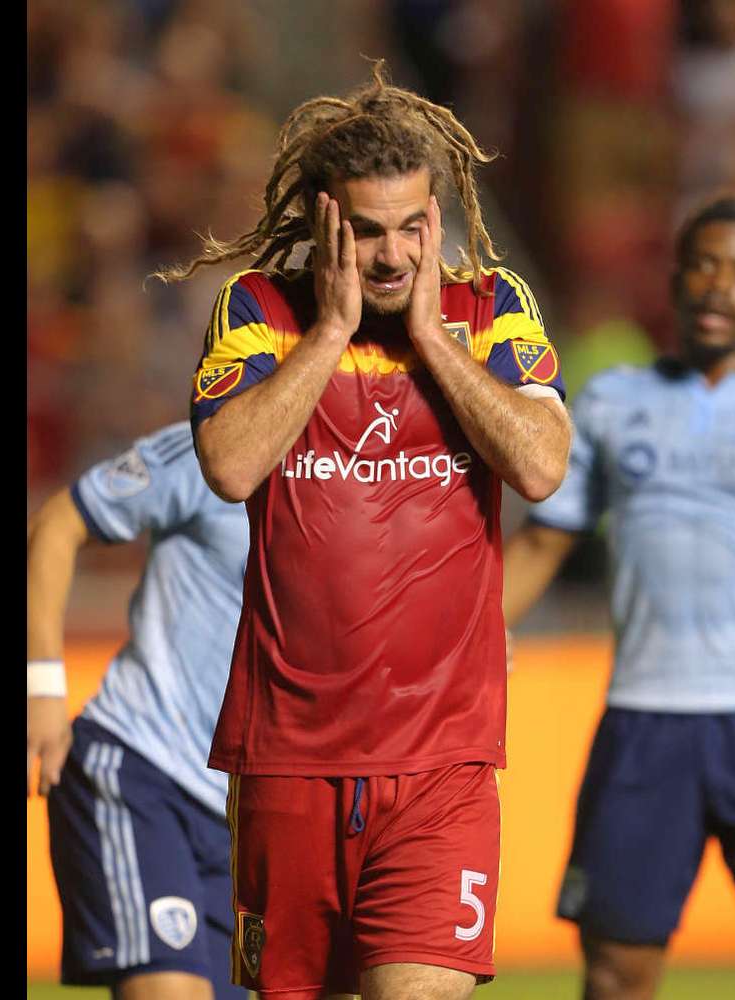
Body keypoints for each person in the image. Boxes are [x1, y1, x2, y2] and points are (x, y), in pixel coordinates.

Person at [154, 61, 572, 1000]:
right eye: (368, 232)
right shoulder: (260, 311)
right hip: (289, 763)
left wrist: (430, 339)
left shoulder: (490, 307)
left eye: (414, 229)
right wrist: (335, 329)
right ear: (322, 221)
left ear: (440, 218)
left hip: (443, 766)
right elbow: (229, 466)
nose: (394, 256)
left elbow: (543, 465)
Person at [501, 191, 735, 1000]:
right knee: (614, 977)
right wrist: (458, 644)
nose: (719, 286)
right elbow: (540, 544)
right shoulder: (608, 405)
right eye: (704, 265)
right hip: (646, 723)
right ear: (674, 280)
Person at [28, 421, 251, 1000]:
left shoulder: (377, 478)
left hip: (244, 817)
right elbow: (60, 519)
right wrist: (41, 686)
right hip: (140, 763)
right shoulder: (214, 444)